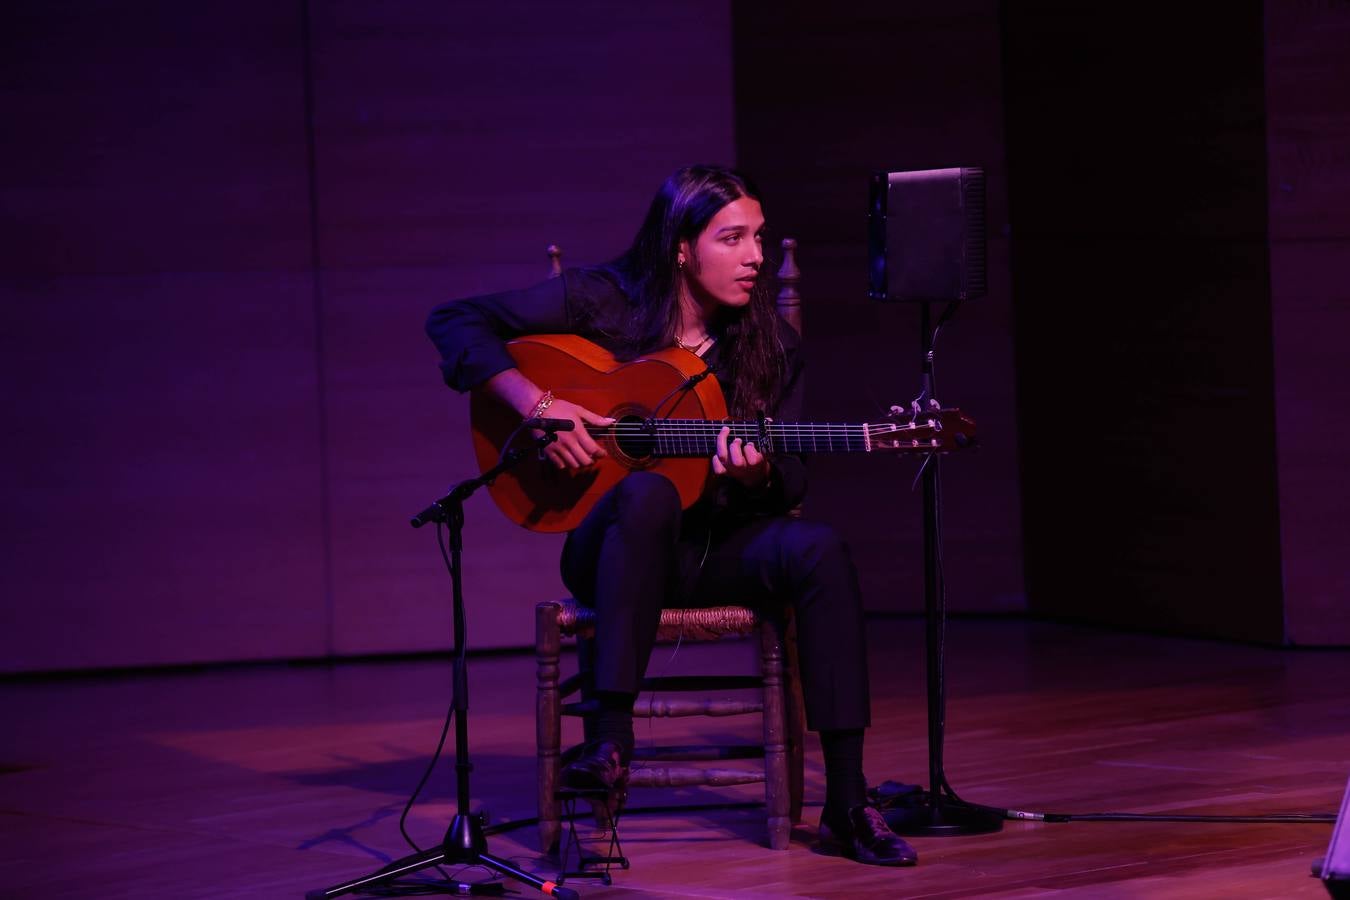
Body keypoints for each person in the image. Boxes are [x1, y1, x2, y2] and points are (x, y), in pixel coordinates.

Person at [425, 165, 916, 867]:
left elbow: (795, 475)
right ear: (681, 247)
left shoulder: (771, 345)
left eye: (759, 238)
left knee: (822, 549)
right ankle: (610, 742)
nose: (755, 256)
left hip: (715, 551)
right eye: (733, 238)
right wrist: (540, 406)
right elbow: (453, 320)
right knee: (647, 493)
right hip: (614, 553)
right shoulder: (605, 301)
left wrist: (761, 471)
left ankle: (846, 801)